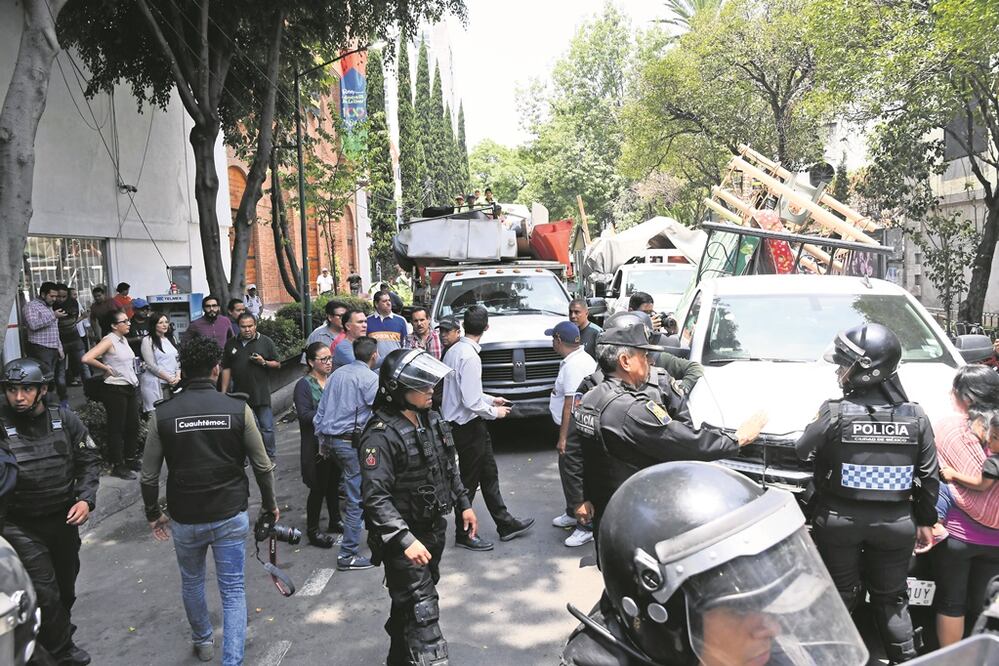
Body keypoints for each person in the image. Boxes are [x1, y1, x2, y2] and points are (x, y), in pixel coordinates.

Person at [560, 461, 870, 666]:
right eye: (742, 609)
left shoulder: (745, 652)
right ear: (668, 621)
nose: (772, 626)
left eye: (770, 602)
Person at [795, 323, 938, 662]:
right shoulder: (916, 416)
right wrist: (926, 521)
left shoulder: (834, 412)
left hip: (839, 521)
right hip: (897, 524)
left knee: (839, 597)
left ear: (864, 370)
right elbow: (929, 476)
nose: (839, 370)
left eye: (844, 364)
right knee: (892, 600)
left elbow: (802, 449)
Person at [140, 335, 278, 665]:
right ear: (216, 370)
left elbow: (148, 476)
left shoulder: (163, 415)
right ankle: (232, 660)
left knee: (192, 582)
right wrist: (270, 504)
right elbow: (262, 465)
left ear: (182, 370)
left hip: (185, 516)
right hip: (230, 512)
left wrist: (153, 513)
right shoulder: (237, 409)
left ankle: (203, 642)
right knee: (232, 589)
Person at [570, 322, 765, 540]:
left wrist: (582, 497)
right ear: (625, 361)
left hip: (607, 514)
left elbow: (585, 457)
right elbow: (685, 442)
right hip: (636, 514)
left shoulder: (591, 398)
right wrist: (737, 438)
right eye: (643, 356)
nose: (649, 363)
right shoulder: (629, 409)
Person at [360, 348, 477, 666]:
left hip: (432, 531)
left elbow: (448, 467)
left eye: (431, 385)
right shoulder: (380, 437)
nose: (430, 390)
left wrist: (463, 503)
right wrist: (404, 539)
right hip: (405, 541)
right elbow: (376, 498)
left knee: (408, 605)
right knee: (424, 611)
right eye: (421, 386)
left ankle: (397, 658)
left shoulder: (432, 419)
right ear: (398, 390)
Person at [0, 358, 101, 666]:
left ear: (42, 390)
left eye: (27, 389)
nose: (19, 397)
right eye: (12, 390)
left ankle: (52, 633)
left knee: (65, 587)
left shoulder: (65, 419)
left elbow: (89, 459)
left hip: (63, 519)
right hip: (20, 525)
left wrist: (85, 499)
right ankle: (61, 652)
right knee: (46, 591)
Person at [442, 305, 534, 551]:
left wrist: (491, 399)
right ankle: (464, 533)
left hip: (467, 425)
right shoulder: (470, 356)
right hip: (467, 427)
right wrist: (496, 412)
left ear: (463, 325)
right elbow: (470, 401)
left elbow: (467, 392)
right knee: (470, 482)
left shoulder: (455, 350)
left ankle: (505, 523)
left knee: (489, 475)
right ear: (487, 327)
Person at [930, 365, 999, 646]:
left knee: (951, 603)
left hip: (958, 536)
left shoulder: (951, 428)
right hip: (996, 541)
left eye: (955, 390)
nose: (951, 395)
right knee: (985, 607)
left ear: (967, 398)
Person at [314, 336, 380, 570]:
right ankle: (347, 555)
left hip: (331, 442)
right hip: (348, 444)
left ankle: (373, 534)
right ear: (374, 355)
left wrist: (322, 442)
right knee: (356, 498)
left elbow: (320, 412)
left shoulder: (336, 375)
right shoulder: (370, 378)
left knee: (360, 488)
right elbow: (379, 411)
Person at [546, 322, 598, 548]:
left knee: (575, 474)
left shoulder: (574, 365)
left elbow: (570, 403)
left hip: (575, 428)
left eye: (552, 338)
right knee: (568, 472)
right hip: (577, 425)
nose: (551, 342)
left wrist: (564, 436)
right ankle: (572, 511)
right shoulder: (577, 359)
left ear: (558, 340)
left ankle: (585, 525)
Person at [295, 342, 343, 548]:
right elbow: (305, 415)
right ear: (311, 362)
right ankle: (313, 530)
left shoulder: (333, 380)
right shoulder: (304, 385)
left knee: (334, 483)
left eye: (330, 358)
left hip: (335, 443)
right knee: (318, 487)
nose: (328, 362)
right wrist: (330, 414)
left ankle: (335, 520)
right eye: (323, 359)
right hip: (315, 445)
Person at [82, 310, 141, 479]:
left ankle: (130, 458)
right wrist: (105, 368)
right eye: (124, 321)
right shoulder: (109, 340)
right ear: (114, 325)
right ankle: (118, 464)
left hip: (129, 386)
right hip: (114, 389)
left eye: (128, 320)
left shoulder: (122, 340)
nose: (128, 323)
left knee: (133, 425)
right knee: (117, 427)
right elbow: (86, 358)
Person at [221, 313, 279, 460]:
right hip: (239, 395)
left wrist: (263, 362)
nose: (247, 329)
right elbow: (226, 368)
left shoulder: (265, 342)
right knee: (240, 429)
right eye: (243, 327)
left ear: (255, 326)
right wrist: (223, 392)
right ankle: (243, 458)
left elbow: (277, 364)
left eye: (250, 326)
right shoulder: (231, 343)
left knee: (266, 427)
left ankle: (269, 456)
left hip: (261, 393)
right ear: (238, 327)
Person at [22, 281, 67, 407]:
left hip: (53, 348)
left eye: (55, 296)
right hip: (40, 348)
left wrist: (60, 347)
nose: (54, 299)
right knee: (43, 380)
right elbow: (33, 324)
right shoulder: (31, 306)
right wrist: (53, 315)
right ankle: (44, 406)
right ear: (42, 294)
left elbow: (54, 330)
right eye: (51, 296)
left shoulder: (49, 307)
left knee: (51, 380)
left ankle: (52, 405)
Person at [139, 312, 180, 414]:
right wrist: (168, 378)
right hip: (156, 383)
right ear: (154, 324)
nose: (164, 325)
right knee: (155, 414)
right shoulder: (147, 340)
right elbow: (150, 365)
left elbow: (177, 359)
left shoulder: (170, 338)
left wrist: (178, 376)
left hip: (172, 384)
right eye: (160, 322)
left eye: (166, 322)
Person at [55, 283, 86, 388]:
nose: (60, 299)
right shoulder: (51, 305)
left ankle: (92, 392)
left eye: (63, 296)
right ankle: (62, 396)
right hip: (60, 342)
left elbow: (72, 320)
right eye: (58, 296)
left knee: (84, 365)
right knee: (60, 370)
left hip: (74, 338)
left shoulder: (73, 303)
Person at [368, 290, 408, 365]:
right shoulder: (367, 321)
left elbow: (406, 344)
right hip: (374, 368)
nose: (389, 303)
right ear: (376, 304)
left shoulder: (401, 321)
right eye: (384, 301)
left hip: (395, 366)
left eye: (389, 300)